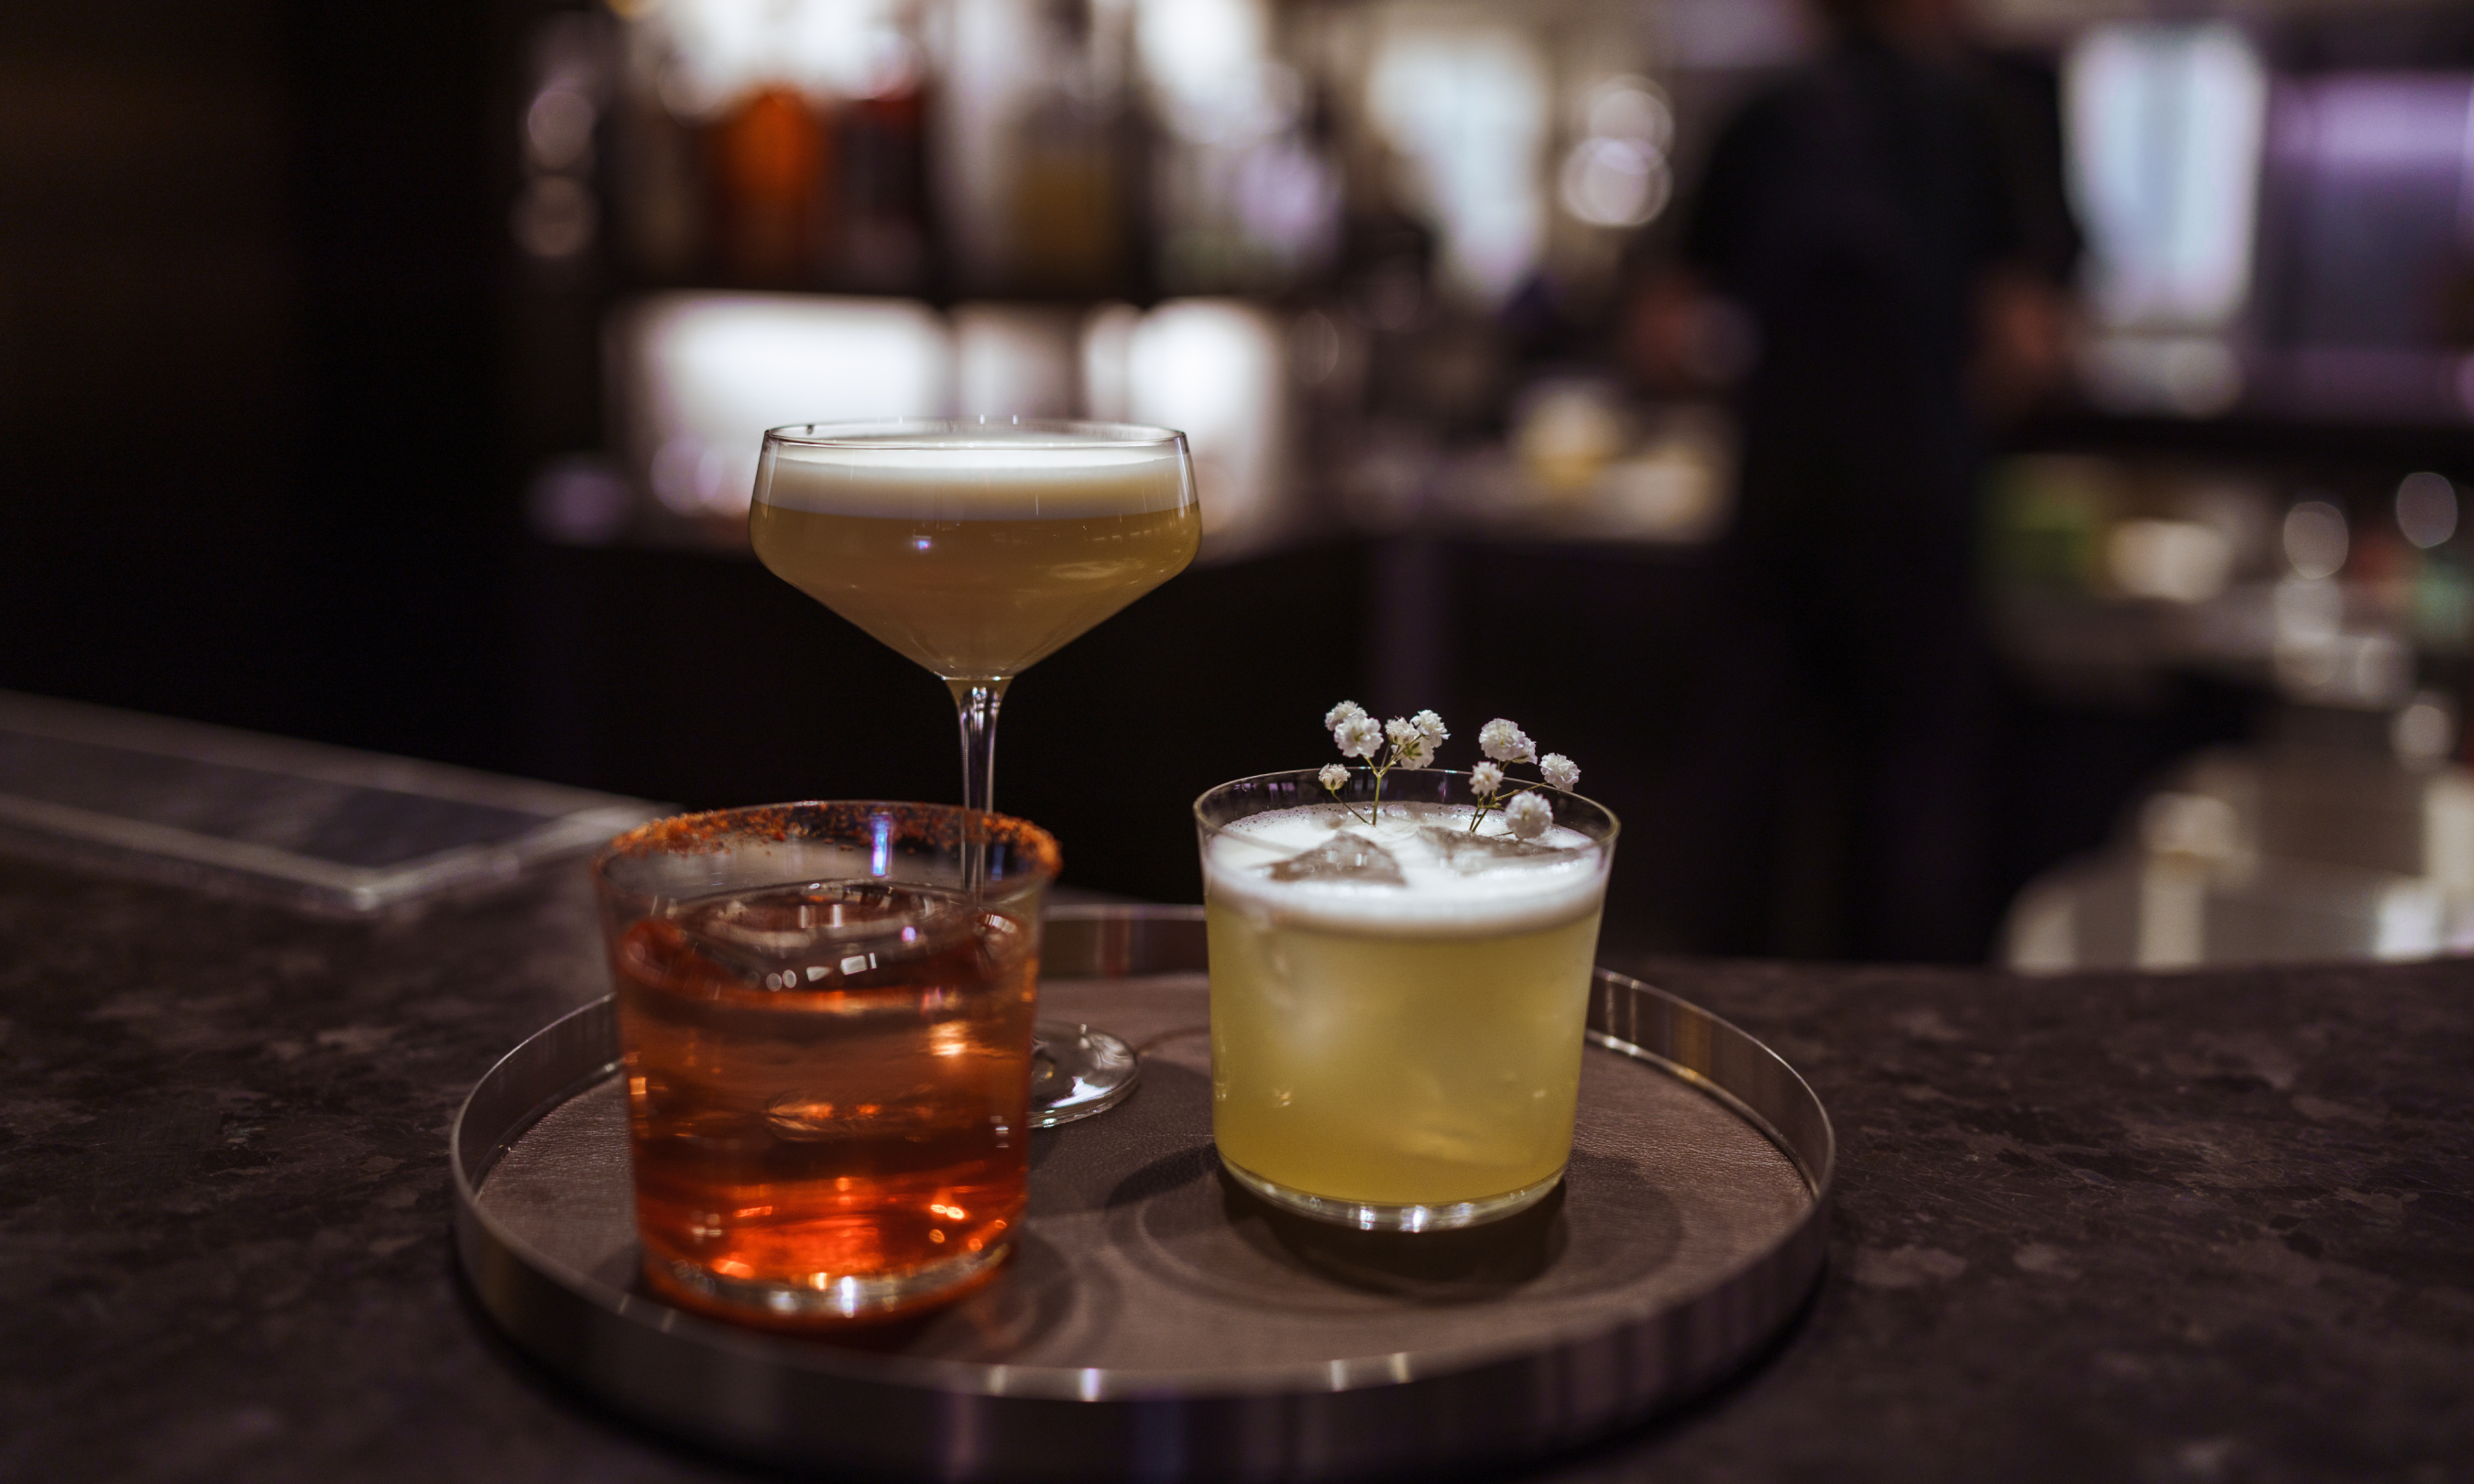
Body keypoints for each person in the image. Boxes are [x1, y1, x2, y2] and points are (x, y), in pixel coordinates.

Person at [1630, 0, 2074, 960]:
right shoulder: (1983, 115)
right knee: (1909, 825)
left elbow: (1665, 335)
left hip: (1778, 514)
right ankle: (1896, 1067)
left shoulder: (1762, 114)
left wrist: (1764, 378)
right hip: (1919, 517)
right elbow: (2027, 346)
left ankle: (1728, 1057)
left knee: (1750, 814)